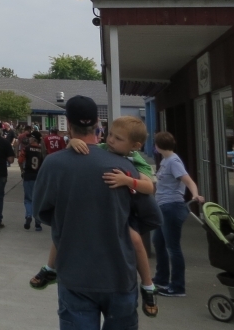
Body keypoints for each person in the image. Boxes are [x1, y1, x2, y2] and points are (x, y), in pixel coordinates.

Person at [33, 96, 162, 330]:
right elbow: (152, 216)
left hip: (75, 275)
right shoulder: (124, 167)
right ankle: (148, 286)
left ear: (68, 124)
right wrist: (120, 228)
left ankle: (49, 271)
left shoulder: (54, 164)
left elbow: (42, 211)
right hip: (119, 275)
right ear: (97, 125)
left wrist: (73, 224)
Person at [152, 131, 203, 298]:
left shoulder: (173, 161)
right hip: (163, 207)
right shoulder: (165, 161)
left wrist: (195, 194)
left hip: (171, 207)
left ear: (157, 146)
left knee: (172, 247)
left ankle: (177, 286)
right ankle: (161, 278)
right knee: (158, 242)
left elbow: (188, 180)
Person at [22, 131, 46, 232]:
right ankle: (38, 224)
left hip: (28, 176)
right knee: (38, 199)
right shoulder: (42, 150)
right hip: (38, 176)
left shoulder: (26, 148)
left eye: (31, 137)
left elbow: (20, 160)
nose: (29, 139)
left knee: (28, 199)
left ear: (34, 139)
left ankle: (28, 215)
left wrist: (22, 169)